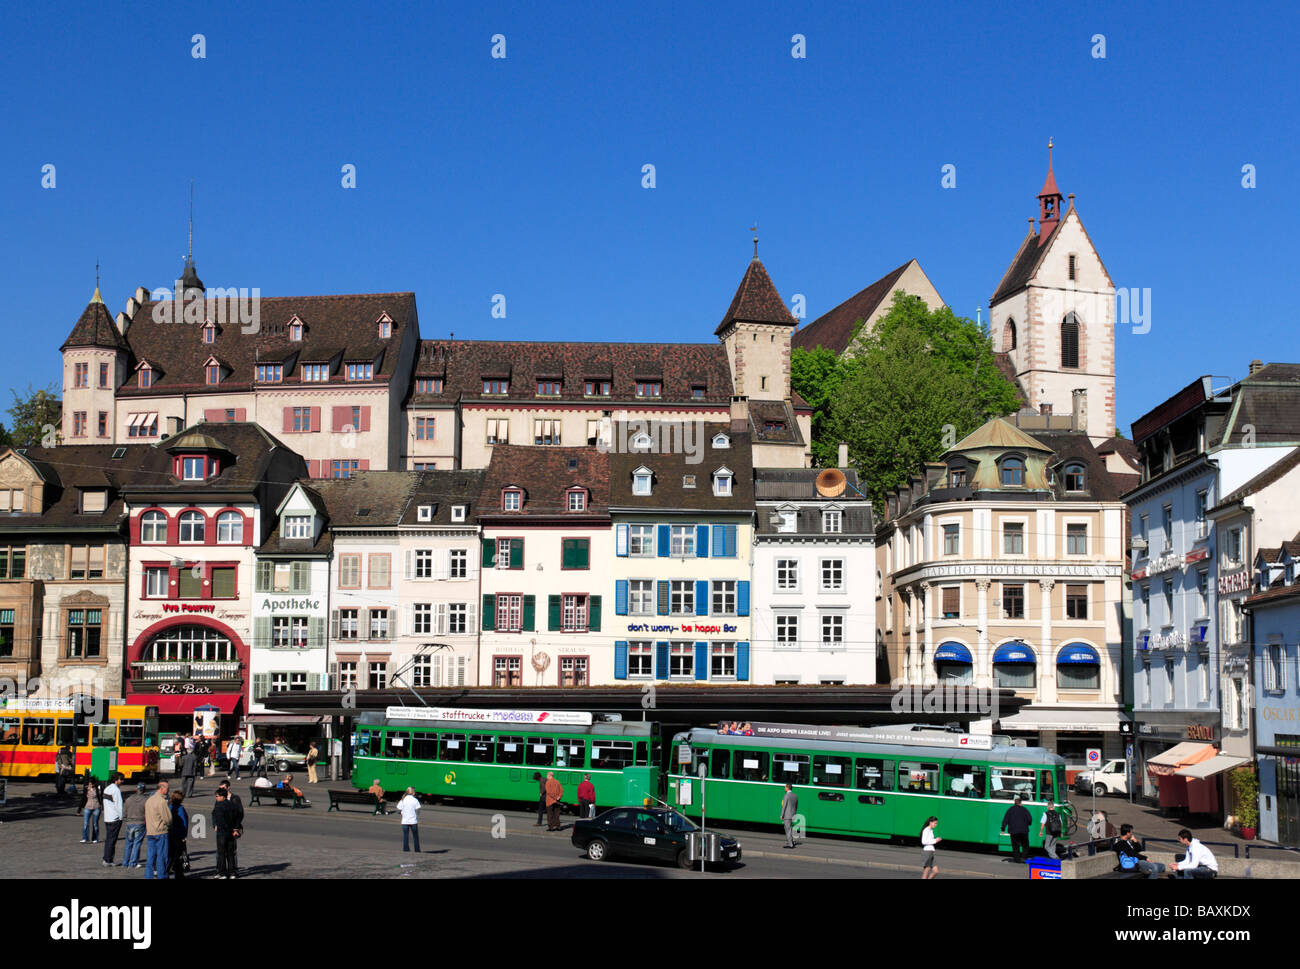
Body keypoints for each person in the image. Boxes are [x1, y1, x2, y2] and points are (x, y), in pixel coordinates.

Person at [144, 781, 172, 879]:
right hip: (160, 832)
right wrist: (169, 826)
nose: (168, 790)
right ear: (162, 788)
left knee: (150, 857)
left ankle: (148, 876)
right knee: (162, 856)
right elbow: (168, 818)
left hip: (150, 831)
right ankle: (162, 876)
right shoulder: (161, 801)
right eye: (167, 788)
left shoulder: (149, 800)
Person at [217, 780, 244, 876]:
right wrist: (215, 824)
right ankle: (220, 871)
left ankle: (233, 870)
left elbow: (240, 814)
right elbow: (215, 814)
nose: (221, 790)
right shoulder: (220, 798)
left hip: (232, 829)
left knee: (231, 851)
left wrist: (236, 828)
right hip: (222, 830)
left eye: (223, 788)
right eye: (220, 788)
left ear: (228, 788)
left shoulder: (234, 798)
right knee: (220, 852)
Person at [212, 788, 239, 878]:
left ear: (222, 797)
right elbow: (237, 817)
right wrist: (235, 829)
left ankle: (222, 872)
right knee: (230, 853)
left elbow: (220, 820)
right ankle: (232, 873)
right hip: (231, 832)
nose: (216, 798)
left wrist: (216, 826)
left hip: (222, 832)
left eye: (217, 796)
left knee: (221, 853)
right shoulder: (231, 804)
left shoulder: (219, 806)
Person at [121, 781, 148, 869]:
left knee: (128, 843)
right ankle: (133, 863)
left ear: (136, 789)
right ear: (144, 790)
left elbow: (124, 813)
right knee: (137, 843)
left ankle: (125, 862)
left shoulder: (128, 799)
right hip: (140, 823)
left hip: (129, 823)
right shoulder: (146, 800)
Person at [1000, 795, 1032, 863]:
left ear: (1014, 803)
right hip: (1024, 830)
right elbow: (1030, 819)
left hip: (1013, 831)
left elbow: (1005, 819)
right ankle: (1023, 857)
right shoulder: (1025, 809)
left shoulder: (1010, 809)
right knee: (1025, 845)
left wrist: (1003, 828)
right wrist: (1028, 824)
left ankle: (1017, 859)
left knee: (1015, 846)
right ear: (1021, 803)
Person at [102, 772, 125, 866]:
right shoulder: (116, 790)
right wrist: (121, 817)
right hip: (115, 818)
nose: (122, 781)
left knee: (108, 839)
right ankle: (108, 860)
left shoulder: (107, 788)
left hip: (107, 817)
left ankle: (106, 858)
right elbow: (119, 806)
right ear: (117, 780)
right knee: (112, 840)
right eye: (121, 779)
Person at [168, 790, 188, 878]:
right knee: (178, 856)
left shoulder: (170, 807)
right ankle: (179, 874)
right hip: (178, 835)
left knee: (171, 854)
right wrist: (184, 836)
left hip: (170, 833)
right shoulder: (180, 808)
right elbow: (184, 823)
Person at [79, 770, 103, 844]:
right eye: (89, 783)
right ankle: (85, 838)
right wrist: (79, 809)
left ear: (93, 783)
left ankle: (95, 838)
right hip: (87, 807)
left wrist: (103, 808)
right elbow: (83, 799)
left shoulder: (98, 789)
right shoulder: (86, 789)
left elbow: (100, 798)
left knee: (95, 823)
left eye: (90, 783)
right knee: (86, 823)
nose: (89, 784)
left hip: (96, 807)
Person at [398, 787, 421, 852]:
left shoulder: (403, 799)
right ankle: (417, 850)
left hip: (405, 821)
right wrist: (416, 815)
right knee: (415, 836)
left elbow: (399, 809)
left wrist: (402, 813)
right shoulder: (415, 800)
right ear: (413, 793)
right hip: (413, 821)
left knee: (405, 836)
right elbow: (418, 810)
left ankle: (406, 849)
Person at [780, 783, 798, 848]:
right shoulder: (795, 796)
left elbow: (784, 806)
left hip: (787, 816)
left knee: (788, 829)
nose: (784, 788)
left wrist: (782, 815)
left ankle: (790, 845)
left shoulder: (786, 796)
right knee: (789, 829)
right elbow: (796, 807)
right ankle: (790, 841)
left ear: (787, 788)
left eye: (785, 787)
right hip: (792, 815)